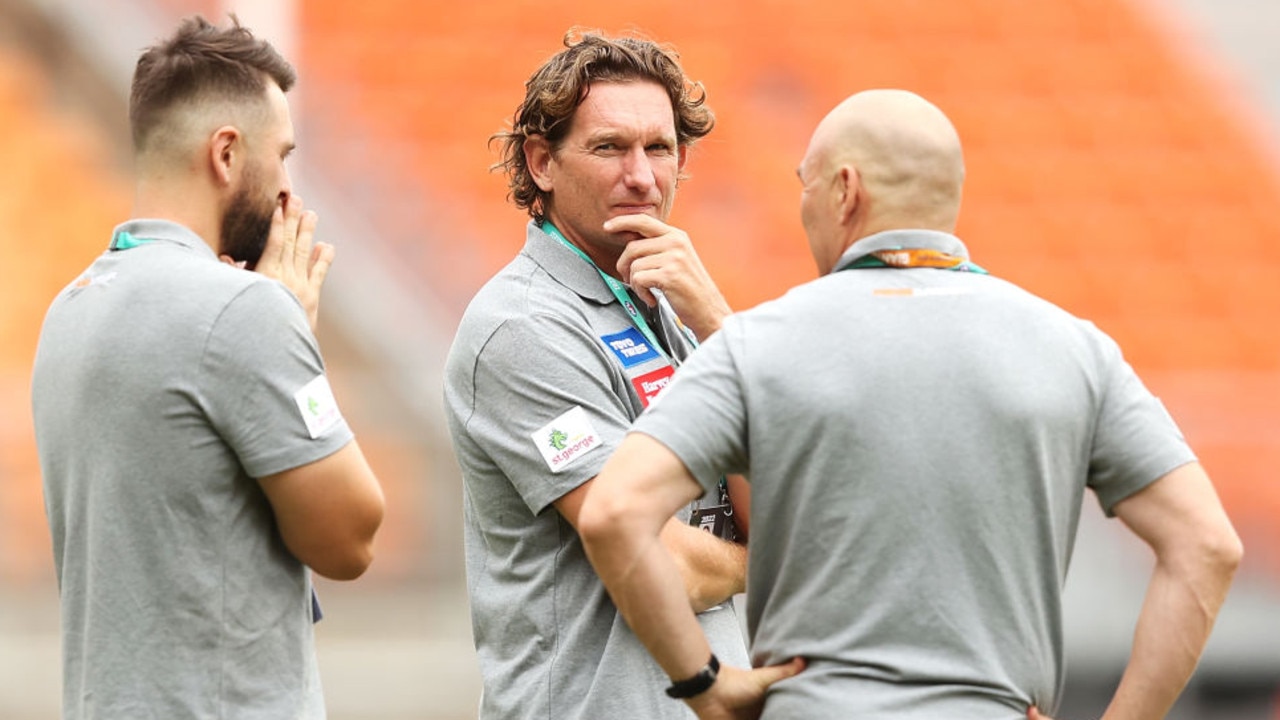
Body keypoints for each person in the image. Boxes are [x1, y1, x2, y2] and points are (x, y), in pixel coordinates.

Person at [579, 88, 1243, 720]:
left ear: (846, 191)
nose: (803, 207)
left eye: (805, 186)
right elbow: (1207, 546)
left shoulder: (760, 343)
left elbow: (613, 514)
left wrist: (706, 685)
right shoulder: (1075, 349)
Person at [31, 15, 385, 718]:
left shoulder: (67, 311)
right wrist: (292, 336)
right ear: (226, 153)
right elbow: (352, 538)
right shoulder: (246, 312)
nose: (288, 188)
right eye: (280, 155)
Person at [443, 30, 751, 719]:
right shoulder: (520, 329)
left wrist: (720, 327)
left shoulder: (671, 306)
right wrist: (767, 568)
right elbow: (656, 559)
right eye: (610, 148)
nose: (641, 176)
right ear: (542, 163)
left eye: (660, 148)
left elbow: (782, 504)